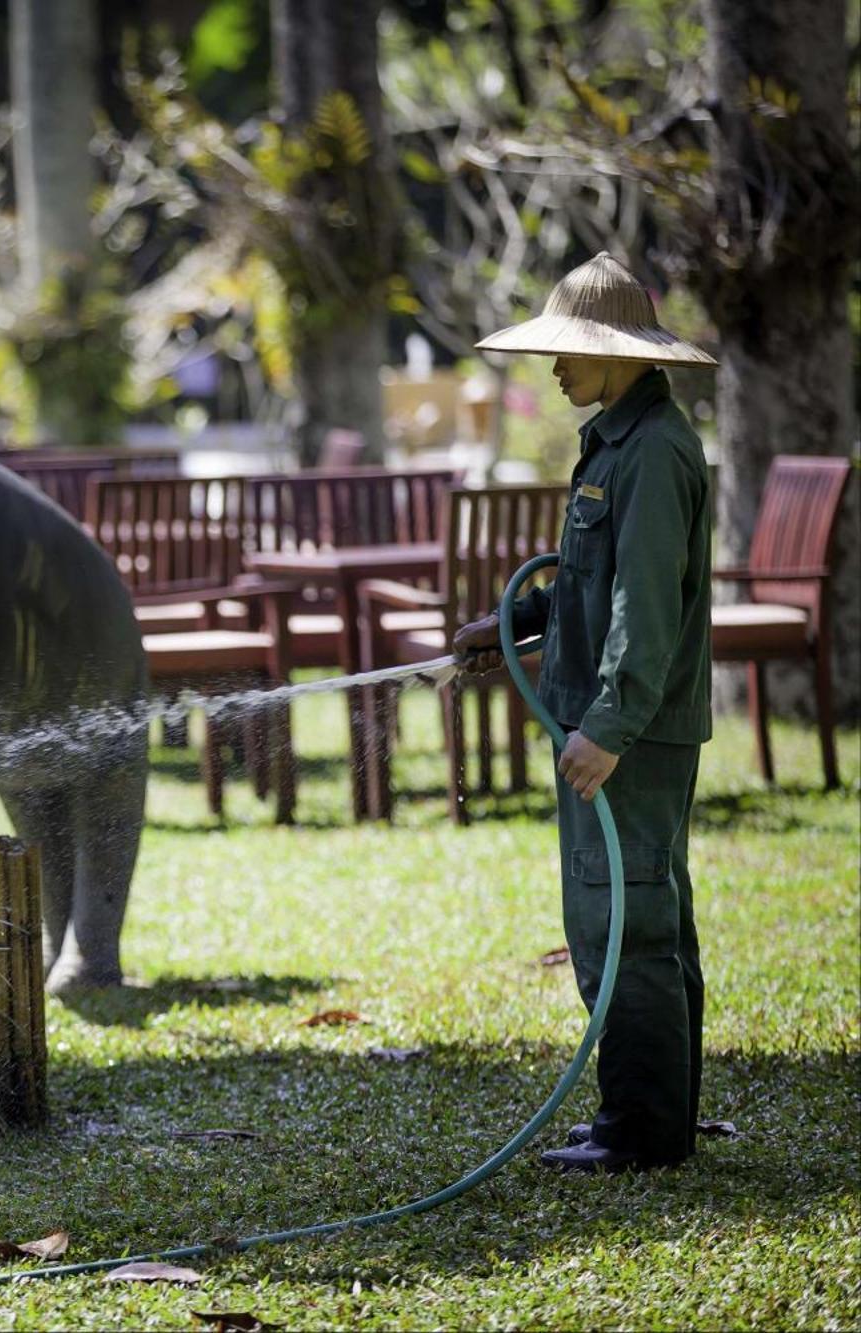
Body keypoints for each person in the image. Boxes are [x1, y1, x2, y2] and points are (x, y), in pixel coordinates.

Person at [454, 252, 718, 1174]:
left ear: (622, 355)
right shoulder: (614, 440)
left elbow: (645, 610)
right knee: (639, 914)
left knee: (628, 921)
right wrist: (511, 621)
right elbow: (589, 584)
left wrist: (606, 727)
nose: (555, 367)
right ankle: (652, 1116)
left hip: (630, 733)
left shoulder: (654, 452)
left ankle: (640, 1137)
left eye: (570, 351)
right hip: (620, 722)